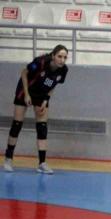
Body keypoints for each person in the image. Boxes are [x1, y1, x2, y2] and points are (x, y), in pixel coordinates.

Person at [3, 45, 69, 174]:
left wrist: (46, 100)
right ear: (53, 56)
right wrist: (27, 95)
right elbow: (24, 73)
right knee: (17, 124)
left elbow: (53, 85)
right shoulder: (40, 62)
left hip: (41, 94)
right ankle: (8, 159)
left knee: (42, 127)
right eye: (59, 56)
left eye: (65, 57)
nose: (62, 60)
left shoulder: (63, 70)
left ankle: (42, 163)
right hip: (25, 90)